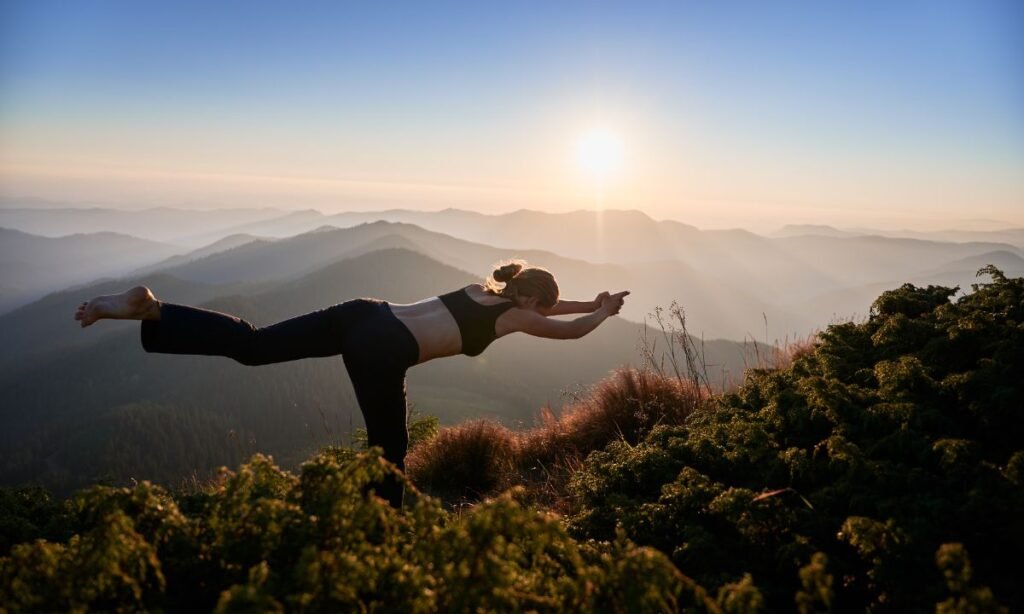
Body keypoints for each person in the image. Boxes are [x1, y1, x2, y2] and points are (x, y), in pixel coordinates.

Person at [74, 259, 630, 507]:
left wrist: (596, 300)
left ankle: (154, 310)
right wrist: (600, 315)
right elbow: (573, 330)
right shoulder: (514, 317)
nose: (540, 314)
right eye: (541, 307)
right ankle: (380, 535)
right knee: (390, 450)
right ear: (531, 300)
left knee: (253, 344)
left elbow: (561, 309)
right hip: (380, 351)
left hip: (364, 313)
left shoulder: (483, 292)